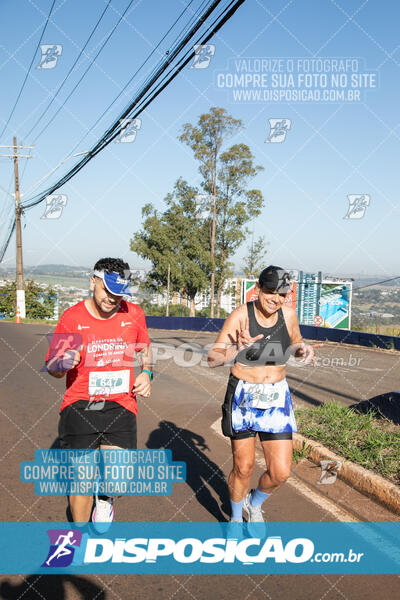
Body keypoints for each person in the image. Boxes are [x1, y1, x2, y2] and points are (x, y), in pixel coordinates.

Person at [208, 266, 321, 523]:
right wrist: (237, 347)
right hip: (243, 397)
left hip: (276, 399)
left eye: (282, 294)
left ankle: (253, 502)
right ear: (258, 289)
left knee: (281, 472)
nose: (275, 299)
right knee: (243, 467)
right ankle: (236, 519)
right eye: (270, 291)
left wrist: (304, 351)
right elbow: (213, 358)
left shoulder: (289, 315)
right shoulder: (240, 316)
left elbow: (295, 345)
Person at [46, 257, 152, 529]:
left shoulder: (133, 313)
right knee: (81, 479)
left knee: (118, 479)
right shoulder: (72, 317)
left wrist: (147, 373)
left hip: (121, 405)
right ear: (93, 281)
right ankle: (78, 536)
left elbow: (144, 348)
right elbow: (53, 368)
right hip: (80, 405)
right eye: (108, 291)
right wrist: (63, 362)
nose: (113, 299)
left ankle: (105, 498)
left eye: (119, 294)